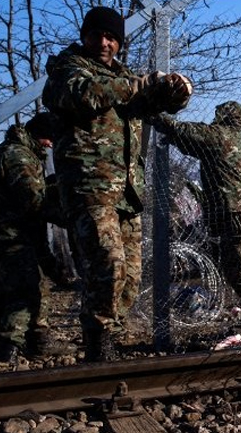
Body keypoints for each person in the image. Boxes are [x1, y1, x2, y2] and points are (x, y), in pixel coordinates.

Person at [42, 6, 189, 361]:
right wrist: (133, 85)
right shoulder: (68, 68)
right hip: (89, 187)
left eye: (112, 38)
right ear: (85, 36)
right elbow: (83, 95)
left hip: (126, 190)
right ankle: (98, 340)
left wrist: (175, 92)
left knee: (131, 275)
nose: (105, 43)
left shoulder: (123, 76)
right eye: (99, 35)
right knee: (107, 262)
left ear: (119, 43)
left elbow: (153, 103)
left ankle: (111, 336)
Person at [147, 102, 241, 322]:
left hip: (235, 210)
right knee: (234, 264)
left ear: (224, 117)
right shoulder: (235, 138)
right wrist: (171, 136)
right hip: (235, 211)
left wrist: (159, 117)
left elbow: (189, 132)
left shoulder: (222, 134)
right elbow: (194, 145)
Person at [0, 112, 74, 365]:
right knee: (24, 289)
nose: (52, 145)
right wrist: (67, 216)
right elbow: (31, 199)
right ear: (39, 136)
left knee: (38, 285)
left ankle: (37, 341)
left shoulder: (26, 154)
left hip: (22, 232)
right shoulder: (17, 156)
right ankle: (8, 346)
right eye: (49, 139)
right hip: (11, 234)